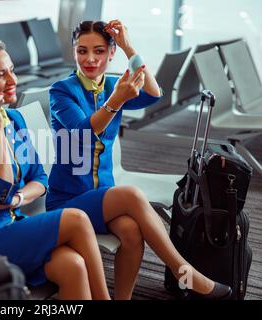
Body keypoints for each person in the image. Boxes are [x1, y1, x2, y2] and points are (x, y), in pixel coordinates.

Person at [46, 20, 232, 300]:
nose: (90, 59)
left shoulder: (111, 84)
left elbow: (154, 92)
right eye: (82, 51)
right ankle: (184, 271)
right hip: (68, 200)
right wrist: (116, 101)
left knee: (132, 233)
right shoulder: (61, 91)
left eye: (99, 51)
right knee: (132, 195)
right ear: (74, 52)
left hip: (102, 196)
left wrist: (127, 46)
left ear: (110, 54)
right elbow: (83, 132)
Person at [0, 40, 111, 299]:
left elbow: (40, 178)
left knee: (73, 266)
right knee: (77, 219)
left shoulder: (14, 118)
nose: (13, 79)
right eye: (0, 75)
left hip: (12, 224)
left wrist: (18, 198)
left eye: (11, 70)